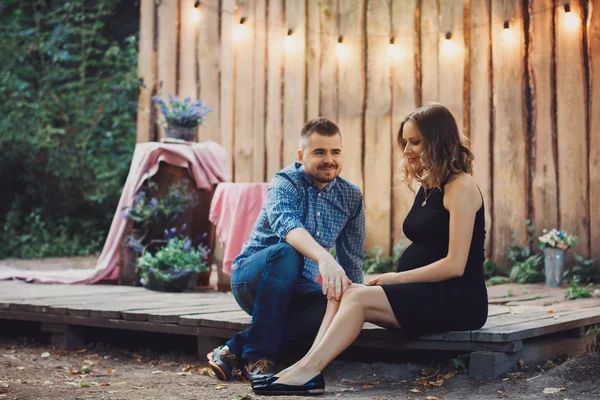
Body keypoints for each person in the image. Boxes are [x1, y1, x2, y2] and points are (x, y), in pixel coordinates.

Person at [252, 103, 489, 396]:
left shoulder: (461, 187)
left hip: (457, 299)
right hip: (423, 294)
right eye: (406, 142)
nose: (407, 150)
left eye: (415, 142)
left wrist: (394, 277)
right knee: (343, 291)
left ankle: (308, 371)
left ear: (437, 140)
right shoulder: (430, 188)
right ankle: (305, 367)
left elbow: (455, 264)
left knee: (359, 298)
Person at [207, 117, 366, 383]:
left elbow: (352, 260)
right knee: (287, 251)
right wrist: (325, 258)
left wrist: (358, 301)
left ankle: (233, 349)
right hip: (252, 280)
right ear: (302, 155)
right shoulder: (285, 182)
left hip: (297, 287)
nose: (329, 159)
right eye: (319, 152)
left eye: (335, 152)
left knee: (336, 303)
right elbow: (288, 228)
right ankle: (259, 358)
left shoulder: (350, 196)